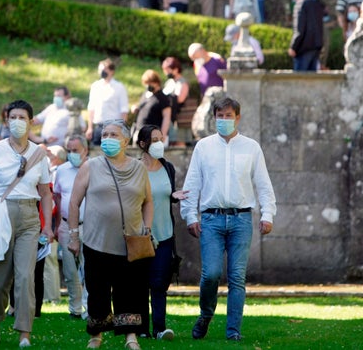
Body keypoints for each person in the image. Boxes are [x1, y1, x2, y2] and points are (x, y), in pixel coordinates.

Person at [180, 97, 276, 342]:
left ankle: (233, 331)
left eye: (228, 115)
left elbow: (263, 184)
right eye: (219, 116)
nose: (223, 120)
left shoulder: (251, 147)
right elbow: (192, 184)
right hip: (211, 219)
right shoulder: (203, 147)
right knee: (210, 274)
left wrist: (267, 214)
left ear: (237, 118)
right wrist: (190, 215)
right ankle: (206, 314)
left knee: (237, 277)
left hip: (241, 219)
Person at [67, 119, 153, 350]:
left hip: (130, 242)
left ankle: (130, 337)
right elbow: (74, 203)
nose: (107, 139)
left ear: (125, 140)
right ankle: (96, 336)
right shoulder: (90, 166)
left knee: (130, 291)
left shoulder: (139, 168)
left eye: (113, 135)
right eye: (104, 135)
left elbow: (148, 202)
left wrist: (147, 228)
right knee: (97, 291)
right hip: (97, 242)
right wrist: (73, 235)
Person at [0, 99, 53, 348]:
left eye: (22, 117)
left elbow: (46, 193)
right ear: (7, 121)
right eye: (13, 117)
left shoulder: (39, 153)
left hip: (30, 216)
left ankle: (24, 334)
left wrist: (48, 225)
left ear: (31, 122)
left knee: (25, 277)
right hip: (0, 216)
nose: (17, 122)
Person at [136, 125, 188, 341]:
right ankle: (141, 329)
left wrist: (175, 196)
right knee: (139, 284)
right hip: (141, 236)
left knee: (159, 284)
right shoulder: (134, 169)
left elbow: (165, 195)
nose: (159, 143)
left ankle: (159, 329)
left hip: (165, 235)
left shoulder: (168, 168)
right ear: (142, 144)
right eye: (154, 140)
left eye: (160, 138)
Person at [54, 134, 90, 319]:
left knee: (90, 268)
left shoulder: (93, 168)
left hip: (90, 226)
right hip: (67, 226)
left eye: (75, 150)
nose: (71, 154)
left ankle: (89, 307)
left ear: (85, 150)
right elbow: (58, 197)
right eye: (69, 150)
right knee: (70, 270)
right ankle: (75, 308)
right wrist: (58, 224)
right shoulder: (61, 170)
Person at [42, 145, 66, 304]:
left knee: (49, 259)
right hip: (51, 221)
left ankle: (52, 297)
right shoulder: (56, 172)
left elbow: (53, 200)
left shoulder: (56, 173)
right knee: (48, 260)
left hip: (51, 221)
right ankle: (49, 296)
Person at [86, 58, 129, 146]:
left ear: (112, 71)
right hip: (99, 127)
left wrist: (121, 129)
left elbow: (124, 110)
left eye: (104, 69)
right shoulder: (95, 86)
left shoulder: (119, 87)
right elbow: (91, 108)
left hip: (114, 127)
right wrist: (90, 128)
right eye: (100, 69)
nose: (101, 71)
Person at [288, 0, 324, 72]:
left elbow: (299, 29)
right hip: (316, 46)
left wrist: (293, 47)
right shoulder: (316, 4)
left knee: (300, 79)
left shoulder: (300, 5)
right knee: (311, 79)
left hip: (303, 48)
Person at [131, 69, 171, 145]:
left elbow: (167, 117)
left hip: (153, 134)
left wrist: (163, 135)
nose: (148, 86)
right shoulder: (145, 94)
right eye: (146, 83)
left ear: (156, 82)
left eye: (150, 83)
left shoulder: (162, 98)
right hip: (140, 131)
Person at [161, 57, 190, 146]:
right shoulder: (169, 82)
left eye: (168, 70)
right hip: (169, 118)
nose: (166, 73)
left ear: (176, 69)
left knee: (179, 144)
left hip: (179, 120)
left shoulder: (182, 83)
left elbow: (180, 99)